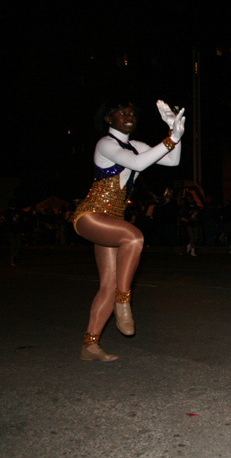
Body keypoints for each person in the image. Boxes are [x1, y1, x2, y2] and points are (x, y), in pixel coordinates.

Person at [73, 99, 185, 362]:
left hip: (112, 219)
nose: (129, 116)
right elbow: (137, 164)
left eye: (132, 112)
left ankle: (89, 345)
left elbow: (172, 161)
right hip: (90, 216)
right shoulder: (106, 144)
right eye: (121, 112)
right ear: (108, 119)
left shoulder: (137, 145)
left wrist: (174, 133)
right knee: (134, 237)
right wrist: (170, 139)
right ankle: (123, 302)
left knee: (107, 285)